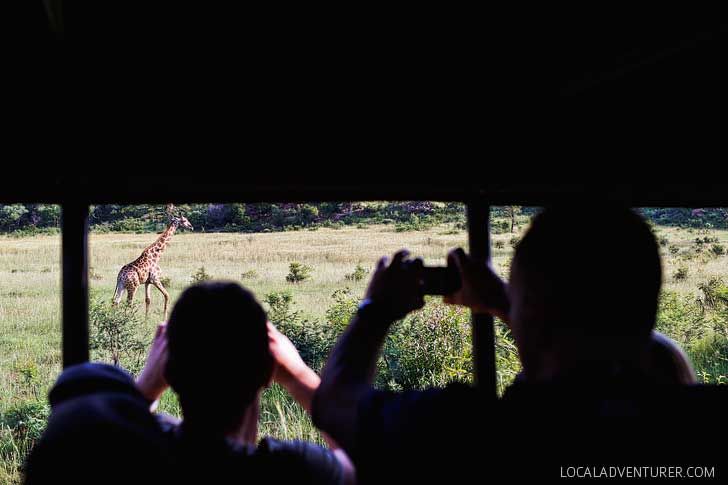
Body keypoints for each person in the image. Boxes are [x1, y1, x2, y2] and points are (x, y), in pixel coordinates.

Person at [312, 206, 714, 483]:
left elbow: (334, 404)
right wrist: (510, 304)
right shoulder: (701, 426)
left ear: (532, 311)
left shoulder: (476, 436)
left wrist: (376, 310)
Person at [138, 281, 354, 484]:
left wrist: (145, 390)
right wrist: (299, 375)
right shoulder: (296, 468)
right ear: (268, 370)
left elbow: (113, 426)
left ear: (168, 372)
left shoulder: (136, 450)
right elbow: (367, 463)